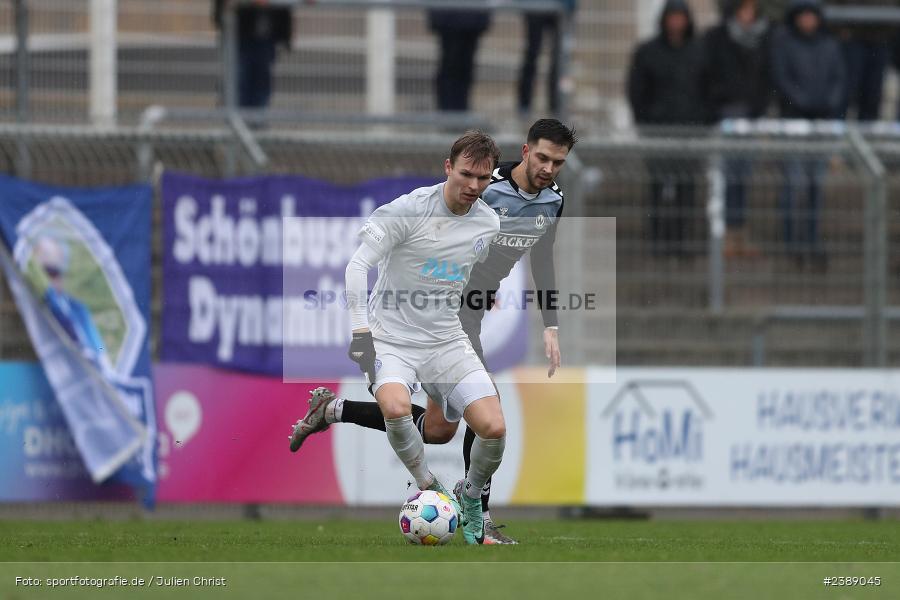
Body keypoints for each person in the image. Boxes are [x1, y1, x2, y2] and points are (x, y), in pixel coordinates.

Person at [290, 119, 577, 545]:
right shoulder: (455, 195)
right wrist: (363, 332)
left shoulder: (521, 211)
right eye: (542, 157)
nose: (549, 167)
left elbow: (527, 260)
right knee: (433, 410)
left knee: (451, 428)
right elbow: (379, 261)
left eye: (558, 161)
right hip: (418, 326)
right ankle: (458, 502)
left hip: (456, 322)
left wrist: (547, 319)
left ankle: (336, 411)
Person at [627, 0, 708, 258]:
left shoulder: (699, 52)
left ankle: (682, 241)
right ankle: (658, 241)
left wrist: (702, 121)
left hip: (691, 133)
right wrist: (646, 121)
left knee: (687, 188)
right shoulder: (648, 52)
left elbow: (710, 90)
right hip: (658, 132)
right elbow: (637, 91)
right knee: (658, 186)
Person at [770, 0, 844, 267]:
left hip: (821, 123)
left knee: (815, 185)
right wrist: (801, 102)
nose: (808, 21)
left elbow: (838, 80)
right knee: (793, 183)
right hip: (794, 121)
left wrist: (826, 104)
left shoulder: (829, 45)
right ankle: (792, 242)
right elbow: (782, 80)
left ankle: (812, 238)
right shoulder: (785, 44)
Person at [701, 0, 772, 258]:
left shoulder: (762, 38)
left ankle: (740, 234)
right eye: (744, 10)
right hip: (726, 114)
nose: (748, 16)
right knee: (727, 178)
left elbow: (766, 78)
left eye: (752, 10)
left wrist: (759, 105)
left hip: (752, 115)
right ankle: (726, 236)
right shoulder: (716, 38)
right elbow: (708, 76)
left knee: (743, 176)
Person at [33, 235, 113, 374]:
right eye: (48, 273)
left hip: (86, 363)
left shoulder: (77, 307)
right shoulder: (45, 302)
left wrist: (100, 356)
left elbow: (97, 344)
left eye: (56, 273)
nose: (54, 279)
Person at [213, 0, 293, 109]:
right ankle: (237, 120)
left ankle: (257, 120)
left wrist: (285, 35)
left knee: (261, 82)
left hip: (266, 36)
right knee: (239, 79)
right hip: (240, 34)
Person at [517, 0, 577, 116]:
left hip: (561, 7)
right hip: (535, 7)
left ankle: (556, 106)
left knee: (560, 61)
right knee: (532, 54)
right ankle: (524, 105)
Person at [429, 9, 492, 111]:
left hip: (470, 18)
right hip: (450, 18)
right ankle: (448, 113)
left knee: (464, 69)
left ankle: (459, 112)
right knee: (451, 67)